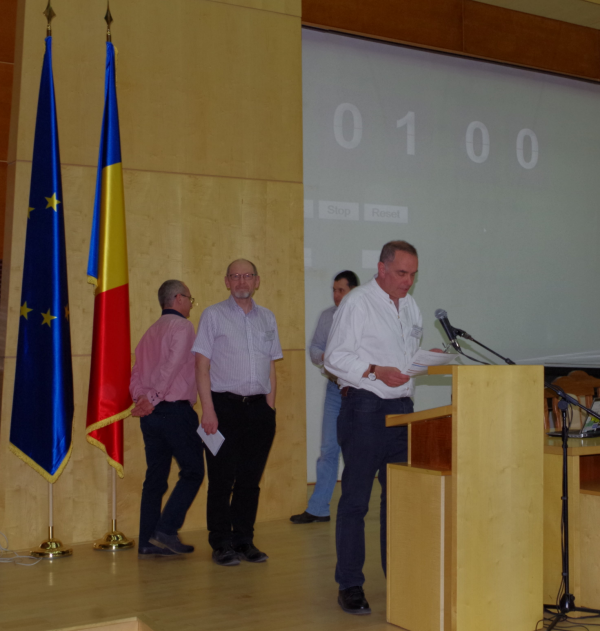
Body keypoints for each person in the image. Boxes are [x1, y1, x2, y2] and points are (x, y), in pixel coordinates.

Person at [324, 241, 429, 615]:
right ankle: (350, 584)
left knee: (398, 501)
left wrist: (422, 362)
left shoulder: (412, 306)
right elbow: (335, 357)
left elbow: (408, 354)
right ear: (382, 269)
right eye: (402, 273)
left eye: (413, 274)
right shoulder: (357, 303)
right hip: (365, 407)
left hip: (403, 409)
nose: (408, 281)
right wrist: (373, 370)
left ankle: (398, 578)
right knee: (355, 500)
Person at [193, 259, 282, 567]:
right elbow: (201, 366)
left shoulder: (267, 318)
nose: (242, 281)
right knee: (221, 480)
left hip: (259, 409)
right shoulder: (213, 316)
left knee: (249, 480)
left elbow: (271, 364)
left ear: (257, 281)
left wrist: (270, 408)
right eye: (236, 276)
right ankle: (220, 542)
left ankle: (244, 539)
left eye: (247, 276)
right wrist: (208, 410)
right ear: (226, 282)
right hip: (223, 408)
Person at [130, 279, 204, 558]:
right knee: (194, 471)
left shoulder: (150, 332)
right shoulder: (183, 327)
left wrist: (142, 398)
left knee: (155, 479)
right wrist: (154, 397)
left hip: (151, 415)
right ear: (178, 298)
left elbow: (136, 372)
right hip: (175, 411)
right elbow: (171, 367)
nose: (191, 303)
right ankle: (166, 529)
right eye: (190, 298)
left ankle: (147, 540)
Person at [290, 270, 359, 524]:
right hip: (334, 390)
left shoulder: (364, 317)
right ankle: (318, 508)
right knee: (328, 449)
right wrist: (325, 357)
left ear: (354, 291)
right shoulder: (327, 316)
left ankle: (351, 510)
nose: (336, 295)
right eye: (334, 290)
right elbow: (315, 348)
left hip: (359, 392)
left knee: (355, 452)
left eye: (341, 290)